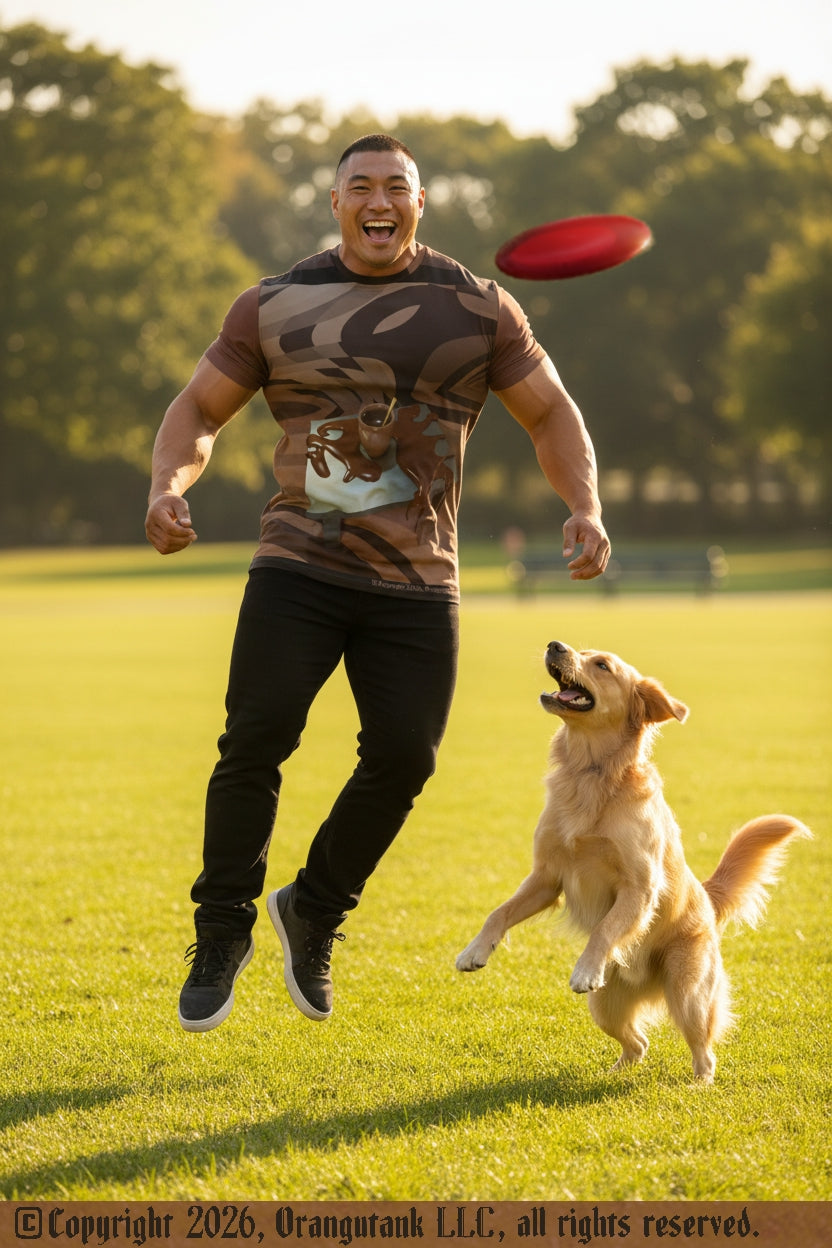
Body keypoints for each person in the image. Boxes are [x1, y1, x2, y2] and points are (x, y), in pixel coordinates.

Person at [145, 133, 611, 1033]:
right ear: (336, 203)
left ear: (420, 204)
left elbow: (550, 410)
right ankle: (222, 929)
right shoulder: (273, 305)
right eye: (361, 185)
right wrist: (169, 485)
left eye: (396, 185)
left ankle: (313, 907)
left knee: (406, 757)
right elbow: (198, 410)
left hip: (419, 577)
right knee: (256, 741)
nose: (379, 199)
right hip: (298, 565)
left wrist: (584, 505)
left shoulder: (478, 308)